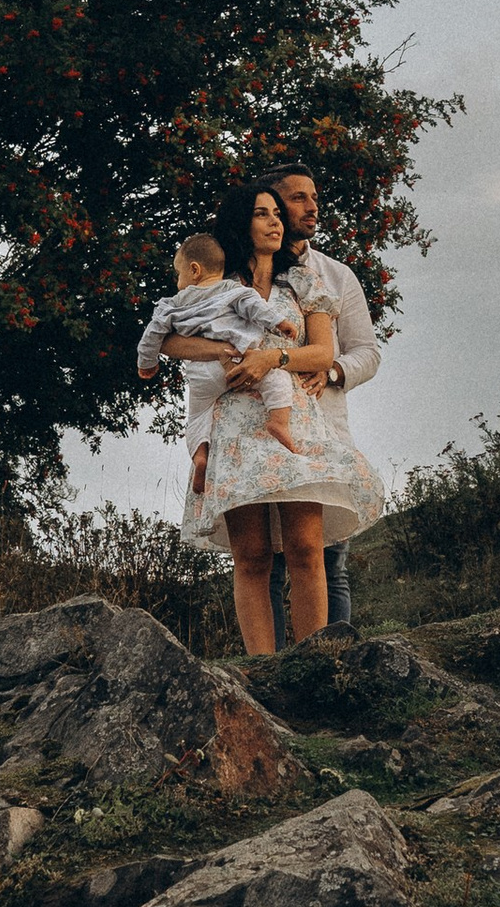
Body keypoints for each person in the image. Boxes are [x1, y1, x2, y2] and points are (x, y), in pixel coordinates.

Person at [156, 180, 384, 651]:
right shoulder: (218, 285)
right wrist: (225, 351)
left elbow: (322, 352)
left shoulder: (301, 282)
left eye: (277, 213)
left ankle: (314, 659)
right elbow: (170, 342)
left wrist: (270, 360)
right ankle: (261, 667)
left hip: (292, 418)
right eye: (263, 213)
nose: (277, 221)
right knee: (252, 556)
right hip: (234, 423)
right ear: (241, 221)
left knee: (306, 548)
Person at [262, 166, 382, 641]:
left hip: (323, 430)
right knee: (265, 562)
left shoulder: (335, 274)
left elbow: (368, 352)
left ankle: (333, 666)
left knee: (329, 561)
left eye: (315, 197)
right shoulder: (240, 276)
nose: (312, 207)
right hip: (262, 436)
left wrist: (331, 370)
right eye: (298, 199)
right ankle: (267, 670)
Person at [137, 234, 301, 488]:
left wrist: (147, 363)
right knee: (278, 379)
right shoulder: (233, 291)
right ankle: (279, 422)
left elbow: (152, 335)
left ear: (194, 270)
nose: (178, 281)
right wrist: (280, 322)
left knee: (198, 415)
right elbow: (255, 307)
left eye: (177, 273)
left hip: (203, 373)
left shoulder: (170, 305)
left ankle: (200, 455)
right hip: (240, 359)